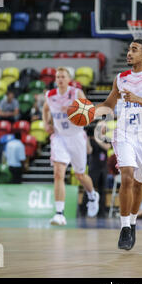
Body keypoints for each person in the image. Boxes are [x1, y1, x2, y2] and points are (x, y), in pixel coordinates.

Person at [95, 39, 142, 250]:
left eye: (133, 50)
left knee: (139, 184)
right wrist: (89, 111)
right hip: (125, 133)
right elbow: (109, 105)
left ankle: (133, 223)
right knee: (126, 175)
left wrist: (138, 99)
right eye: (128, 49)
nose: (129, 53)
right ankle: (125, 227)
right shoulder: (121, 78)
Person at [43, 67, 100, 225]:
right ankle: (59, 213)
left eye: (63, 76)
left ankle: (92, 195)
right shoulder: (50, 95)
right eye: (58, 76)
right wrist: (45, 123)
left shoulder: (76, 93)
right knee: (58, 173)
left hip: (76, 137)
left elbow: (90, 112)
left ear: (69, 79)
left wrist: (70, 109)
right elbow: (45, 109)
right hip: (59, 137)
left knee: (80, 175)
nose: (60, 79)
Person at [82, 121, 111, 218]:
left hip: (103, 167)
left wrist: (98, 139)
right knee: (89, 189)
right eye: (101, 126)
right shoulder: (91, 138)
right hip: (94, 167)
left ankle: (101, 213)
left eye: (104, 127)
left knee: (103, 190)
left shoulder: (106, 138)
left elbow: (107, 147)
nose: (103, 128)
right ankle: (83, 211)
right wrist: (86, 138)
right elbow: (89, 150)